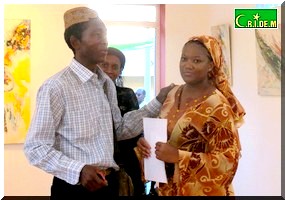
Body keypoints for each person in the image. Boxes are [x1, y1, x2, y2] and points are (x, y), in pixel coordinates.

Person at [23, 7, 174, 199]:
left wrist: (158, 101)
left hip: (108, 185)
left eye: (105, 34)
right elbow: (35, 148)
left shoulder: (105, 84)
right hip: (75, 189)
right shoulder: (56, 87)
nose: (104, 41)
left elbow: (119, 130)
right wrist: (79, 170)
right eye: (96, 34)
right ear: (75, 42)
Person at [136, 35, 246, 196]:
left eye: (196, 61)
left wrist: (179, 157)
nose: (188, 65)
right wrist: (146, 145)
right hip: (165, 190)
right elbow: (163, 135)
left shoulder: (217, 106)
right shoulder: (172, 94)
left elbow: (228, 161)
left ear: (211, 65)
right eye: (184, 59)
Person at [100, 47, 146, 195]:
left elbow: (137, 127)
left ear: (120, 71)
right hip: (99, 163)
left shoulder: (127, 94)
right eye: (104, 65)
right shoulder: (87, 95)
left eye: (115, 67)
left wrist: (141, 139)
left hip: (126, 161)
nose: (109, 70)